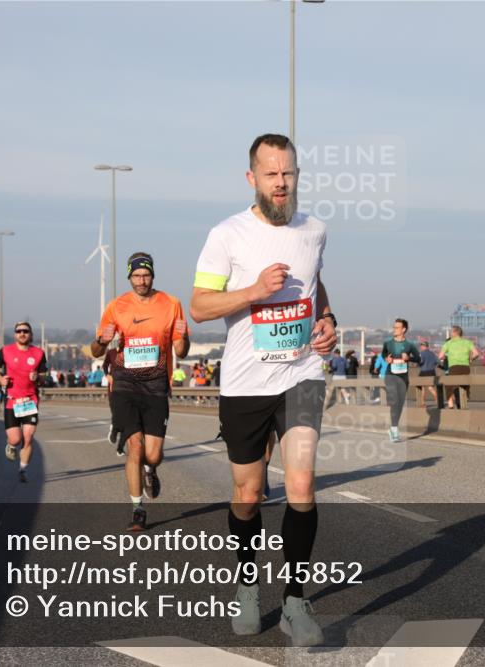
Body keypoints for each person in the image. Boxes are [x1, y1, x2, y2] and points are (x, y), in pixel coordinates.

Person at [190, 133, 336, 647]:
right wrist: (253, 291)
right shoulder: (227, 234)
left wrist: (327, 320)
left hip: (300, 374)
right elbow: (200, 305)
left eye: (289, 173)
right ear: (252, 178)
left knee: (300, 486)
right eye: (271, 174)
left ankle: (296, 602)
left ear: (298, 175)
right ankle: (247, 585)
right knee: (248, 494)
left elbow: (315, 284)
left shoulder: (314, 230)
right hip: (246, 384)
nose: (281, 182)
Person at [90, 252, 190, 529]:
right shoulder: (116, 306)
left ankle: (151, 469)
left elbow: (181, 349)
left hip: (157, 384)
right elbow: (96, 351)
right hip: (125, 384)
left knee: (153, 453)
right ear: (129, 277)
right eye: (136, 276)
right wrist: (102, 339)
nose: (141, 280)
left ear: (153, 275)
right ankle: (137, 509)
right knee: (135, 447)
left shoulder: (171, 304)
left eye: (146, 275)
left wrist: (184, 338)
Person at [0, 322, 47, 483]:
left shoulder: (38, 353)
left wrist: (38, 378)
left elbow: (43, 375)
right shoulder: (6, 351)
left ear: (30, 334)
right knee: (16, 439)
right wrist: (1, 379)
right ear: (15, 334)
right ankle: (11, 445)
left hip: (30, 400)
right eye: (19, 331)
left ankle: (23, 469)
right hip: (12, 401)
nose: (22, 333)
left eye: (25, 331)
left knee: (28, 437)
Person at [381, 319, 421, 442]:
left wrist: (409, 358)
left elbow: (418, 359)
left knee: (399, 403)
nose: (394, 329)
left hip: (403, 376)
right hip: (390, 375)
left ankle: (393, 428)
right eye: (394, 327)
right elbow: (383, 355)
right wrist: (386, 358)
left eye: (397, 327)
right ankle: (395, 430)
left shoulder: (410, 345)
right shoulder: (388, 344)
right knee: (394, 401)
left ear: (403, 329)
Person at [439, 326, 479, 409]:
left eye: (451, 332)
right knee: (464, 385)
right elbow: (476, 354)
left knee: (451, 386)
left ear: (454, 333)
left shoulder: (448, 343)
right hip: (465, 367)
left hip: (454, 367)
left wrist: (447, 357)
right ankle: (464, 401)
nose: (450, 333)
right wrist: (471, 359)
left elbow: (440, 356)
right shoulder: (468, 342)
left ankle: (454, 405)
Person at [417, 341, 440, 406]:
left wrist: (418, 363)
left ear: (423, 346)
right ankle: (437, 399)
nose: (420, 347)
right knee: (430, 387)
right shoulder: (433, 353)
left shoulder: (422, 353)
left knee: (421, 387)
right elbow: (437, 361)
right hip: (432, 371)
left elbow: (421, 361)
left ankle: (422, 402)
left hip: (424, 371)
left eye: (421, 346)